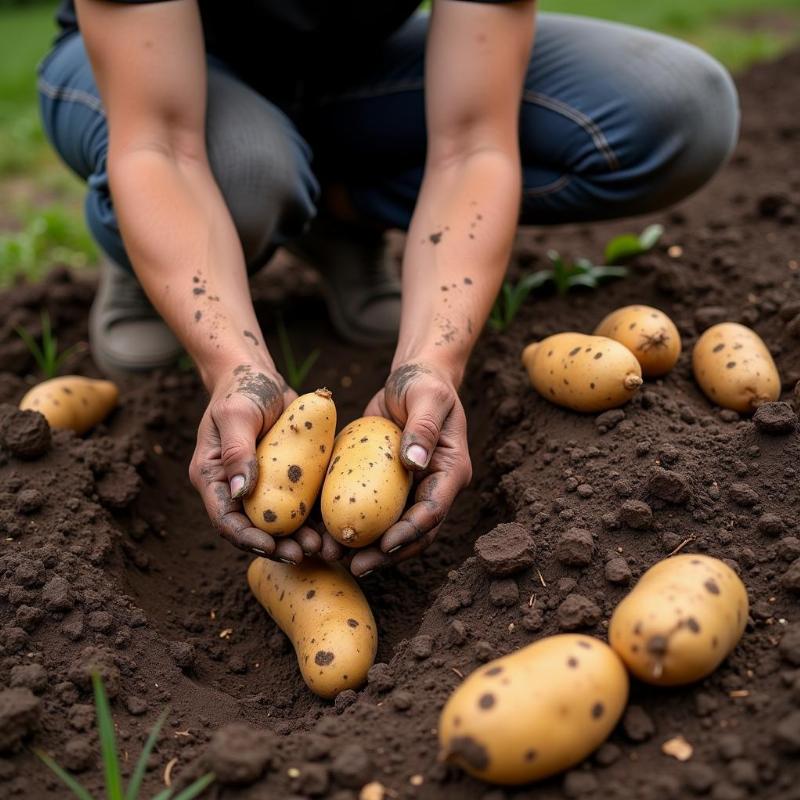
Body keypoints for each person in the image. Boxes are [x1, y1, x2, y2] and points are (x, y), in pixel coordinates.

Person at [38, 0, 739, 576]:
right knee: (249, 173)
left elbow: (473, 144)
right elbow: (158, 141)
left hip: (354, 75)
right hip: (150, 84)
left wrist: (432, 361)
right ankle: (148, 257)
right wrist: (234, 366)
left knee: (678, 109)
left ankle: (333, 214)